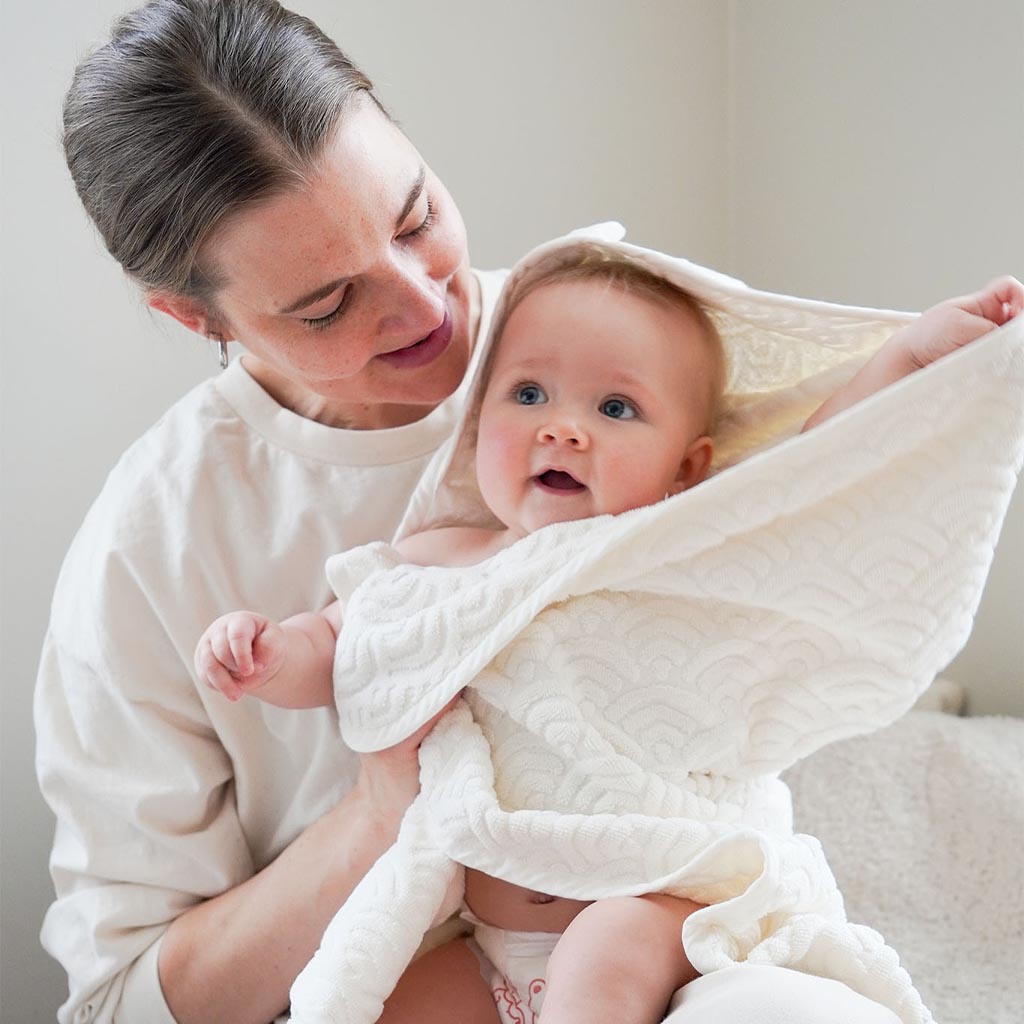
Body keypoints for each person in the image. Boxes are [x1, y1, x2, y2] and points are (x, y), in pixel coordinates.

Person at [33, 1, 1021, 1022]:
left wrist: (916, 369)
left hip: (668, 927)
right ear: (194, 317)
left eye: (415, 216)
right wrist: (380, 809)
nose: (426, 308)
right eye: (327, 304)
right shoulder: (155, 545)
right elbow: (120, 1003)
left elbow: (793, 490)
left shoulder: (588, 335)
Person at [194, 250, 1023, 1024]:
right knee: (377, 1001)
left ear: (687, 467)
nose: (563, 428)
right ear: (477, 427)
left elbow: (817, 474)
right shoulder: (437, 561)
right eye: (527, 395)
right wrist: (267, 652)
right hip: (486, 943)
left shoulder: (666, 549)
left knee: (602, 952)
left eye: (615, 407)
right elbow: (342, 645)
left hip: (653, 905)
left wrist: (910, 359)